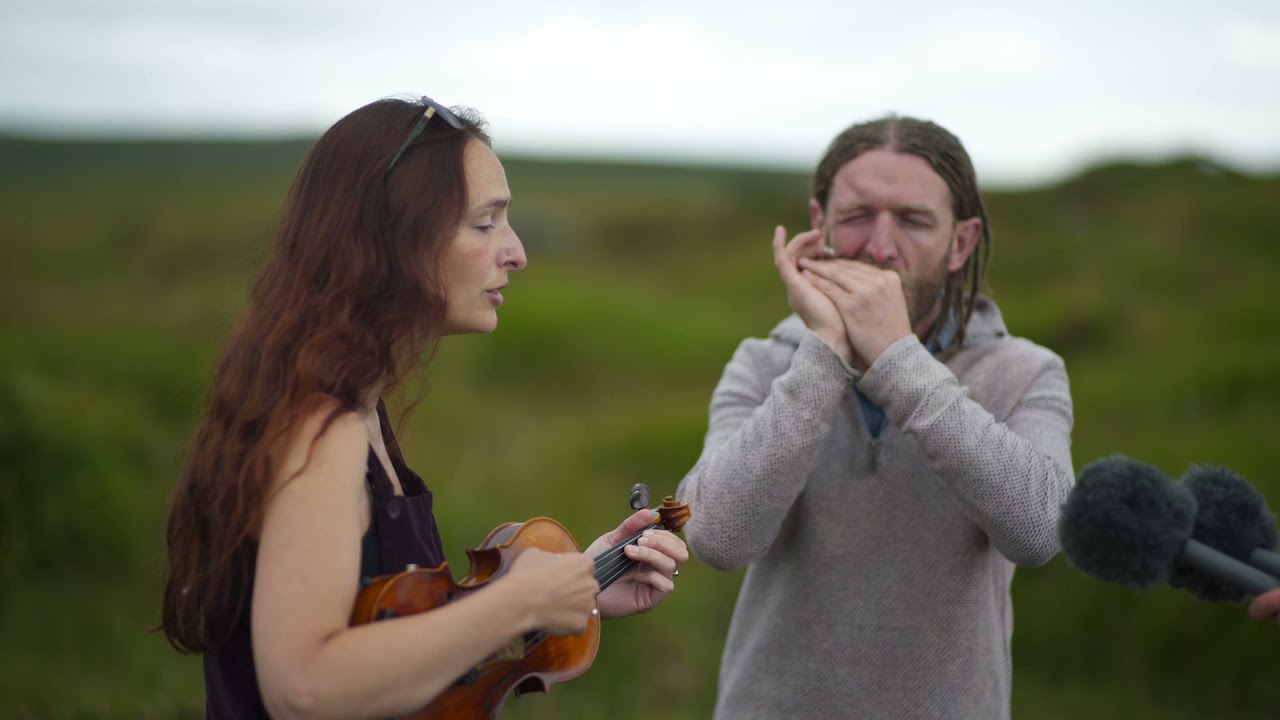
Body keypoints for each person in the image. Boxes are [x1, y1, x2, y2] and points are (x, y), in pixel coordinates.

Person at [159, 95, 688, 719]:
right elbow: (302, 686)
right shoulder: (320, 427)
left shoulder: (356, 407)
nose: (517, 252)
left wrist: (579, 585)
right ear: (395, 239)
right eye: (485, 223)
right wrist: (516, 603)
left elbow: (381, 627)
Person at [675, 115, 1074, 719]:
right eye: (858, 215)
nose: (880, 246)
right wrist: (824, 353)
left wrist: (896, 360)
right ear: (820, 225)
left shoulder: (1027, 372)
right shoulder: (763, 364)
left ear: (960, 243)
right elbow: (719, 538)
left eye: (913, 220)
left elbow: (1041, 530)